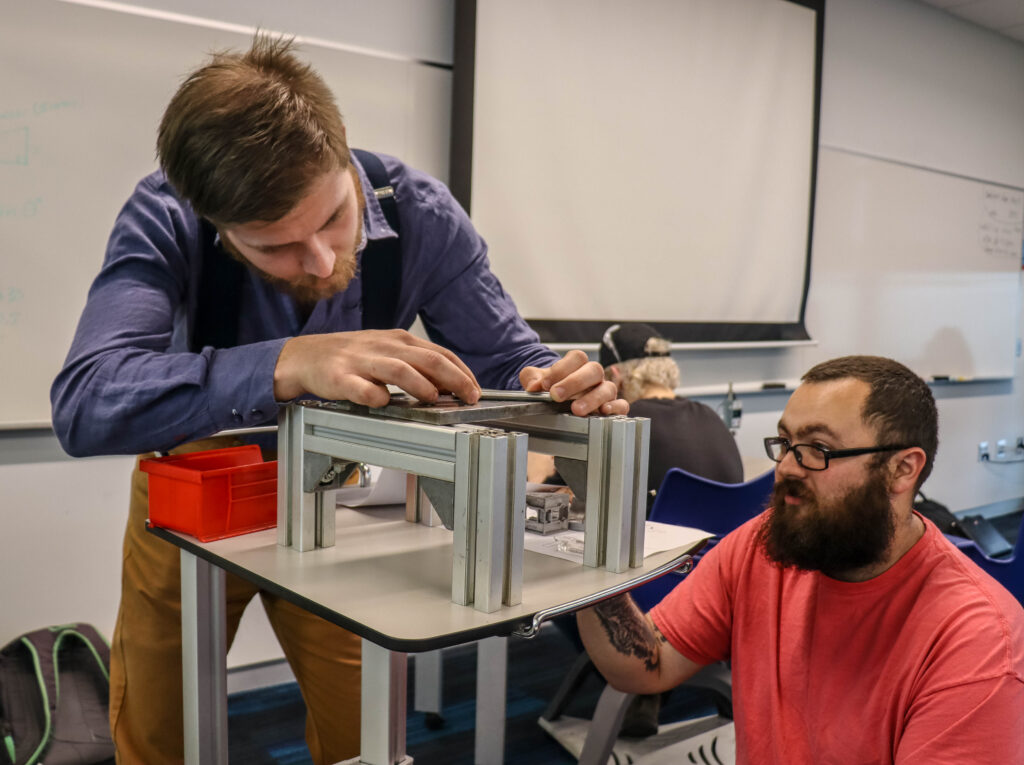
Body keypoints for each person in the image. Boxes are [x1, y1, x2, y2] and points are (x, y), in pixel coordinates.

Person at [49, 35, 624, 765]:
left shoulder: (419, 214)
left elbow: (510, 357)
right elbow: (86, 399)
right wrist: (288, 362)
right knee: (160, 736)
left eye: (331, 220)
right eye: (274, 247)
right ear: (218, 227)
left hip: (338, 500)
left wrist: (562, 378)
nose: (319, 263)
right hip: (197, 494)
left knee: (367, 735)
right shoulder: (165, 213)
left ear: (344, 152)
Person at [577, 355, 1024, 763]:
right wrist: (589, 516)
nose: (787, 467)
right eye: (786, 442)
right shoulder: (763, 545)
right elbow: (645, 663)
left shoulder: (977, 644)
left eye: (818, 449)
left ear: (902, 470)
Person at [599, 322, 743, 513]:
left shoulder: (627, 425)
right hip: (725, 539)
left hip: (665, 541)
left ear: (615, 378)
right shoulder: (710, 415)